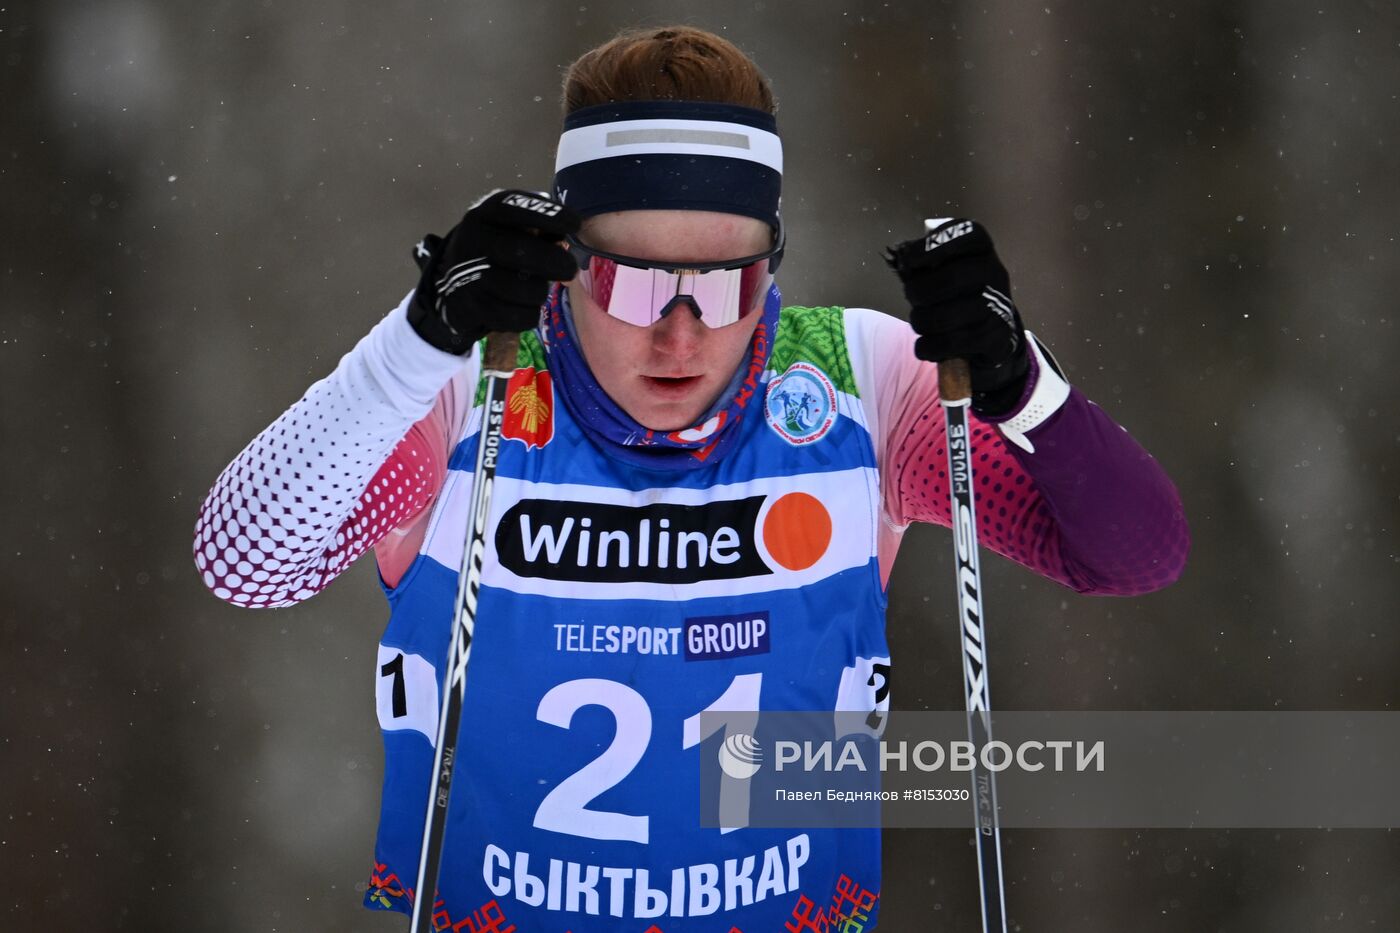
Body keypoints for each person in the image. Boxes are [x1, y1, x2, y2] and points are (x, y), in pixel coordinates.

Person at [194, 25, 1188, 932]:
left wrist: (1020, 384)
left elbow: (1133, 554)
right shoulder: (467, 386)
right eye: (633, 283)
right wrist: (413, 343)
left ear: (772, 263)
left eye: (726, 283)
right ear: (566, 262)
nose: (682, 333)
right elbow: (242, 561)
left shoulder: (855, 384)